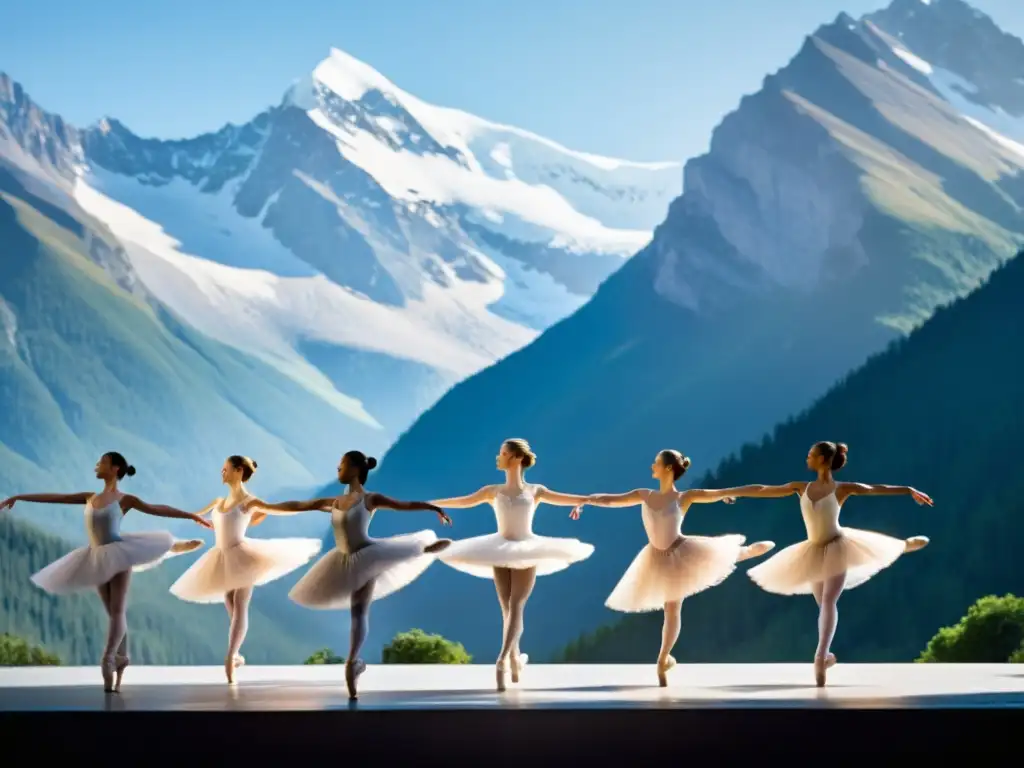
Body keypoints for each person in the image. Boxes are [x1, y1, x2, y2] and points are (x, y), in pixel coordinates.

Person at [712, 441, 931, 686]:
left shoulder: (841, 489)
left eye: (811, 455)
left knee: (828, 601)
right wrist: (728, 491)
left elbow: (873, 488)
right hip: (813, 551)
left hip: (839, 546)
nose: (807, 458)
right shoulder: (800, 487)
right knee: (823, 604)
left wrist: (908, 490)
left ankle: (819, 656)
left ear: (823, 460)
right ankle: (825, 655)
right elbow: (763, 489)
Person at [244, 450, 453, 700]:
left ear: (355, 469)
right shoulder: (334, 502)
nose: (338, 469)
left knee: (360, 612)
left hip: (367, 556)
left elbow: (403, 505)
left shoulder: (370, 499)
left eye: (341, 465)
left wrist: (433, 508)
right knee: (358, 611)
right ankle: (354, 664)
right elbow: (298, 506)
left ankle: (422, 549)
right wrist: (264, 506)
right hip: (343, 559)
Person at [0, 452, 211, 692]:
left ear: (115, 468)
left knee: (118, 610)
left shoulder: (125, 499)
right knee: (113, 613)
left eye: (101, 462)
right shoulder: (89, 497)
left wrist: (191, 515)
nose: (97, 465)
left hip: (118, 555)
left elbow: (156, 508)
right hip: (95, 556)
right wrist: (19, 496)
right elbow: (56, 497)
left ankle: (109, 657)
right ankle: (123, 656)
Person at [570, 449, 776, 686]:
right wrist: (584, 500)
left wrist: (727, 495)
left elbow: (720, 492)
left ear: (668, 468)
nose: (651, 466)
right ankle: (664, 658)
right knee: (672, 609)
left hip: (679, 550)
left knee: (683, 597)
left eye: (656, 463)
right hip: (656, 556)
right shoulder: (645, 494)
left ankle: (749, 551)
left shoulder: (683, 497)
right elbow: (610, 499)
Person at [430, 438, 594, 692]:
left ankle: (504, 659)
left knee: (513, 606)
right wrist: (433, 505)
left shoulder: (535, 490)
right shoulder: (492, 491)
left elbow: (564, 498)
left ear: (516, 458)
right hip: (499, 548)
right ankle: (512, 658)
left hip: (525, 548)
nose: (498, 456)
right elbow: (464, 500)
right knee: (510, 608)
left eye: (503, 453)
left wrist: (585, 501)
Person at [168, 455, 322, 684]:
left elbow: (277, 509)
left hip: (242, 555)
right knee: (230, 602)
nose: (222, 473)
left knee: (239, 604)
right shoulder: (218, 502)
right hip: (221, 556)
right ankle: (237, 654)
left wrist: (312, 505)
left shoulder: (249, 502)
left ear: (239, 471)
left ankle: (230, 656)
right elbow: (193, 514)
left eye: (225, 469)